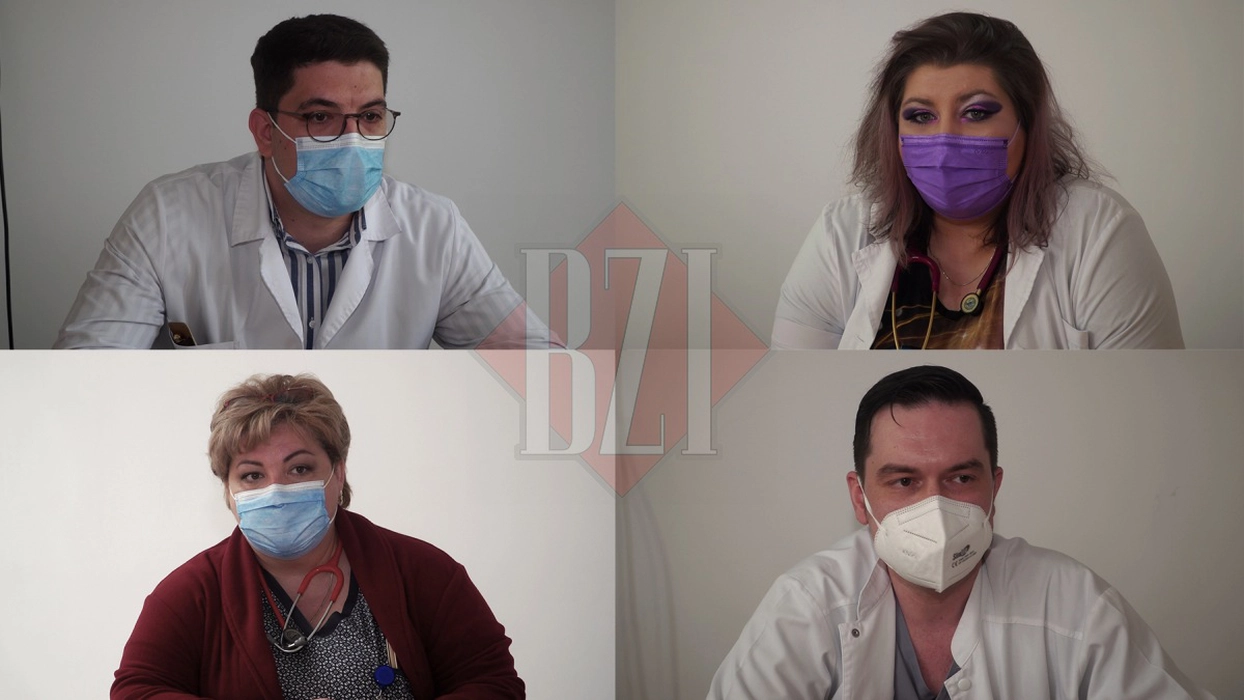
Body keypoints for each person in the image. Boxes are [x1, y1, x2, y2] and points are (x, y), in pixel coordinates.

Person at [707, 365, 1212, 699]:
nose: (935, 507)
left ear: (995, 489)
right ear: (860, 498)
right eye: (904, 481)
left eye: (962, 478)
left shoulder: (1077, 606)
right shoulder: (804, 606)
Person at [55, 14, 552, 349]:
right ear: (264, 132)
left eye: (370, 116)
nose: (353, 140)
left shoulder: (434, 227)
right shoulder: (167, 217)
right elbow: (86, 373)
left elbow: (539, 367)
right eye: (320, 117)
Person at [771, 12, 1183, 349]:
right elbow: (795, 393)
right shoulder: (840, 233)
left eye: (976, 113)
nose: (944, 143)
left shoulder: (1100, 230)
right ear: (893, 131)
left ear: (1027, 123)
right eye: (920, 116)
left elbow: (1144, 401)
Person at [112, 373, 524, 699]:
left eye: (300, 469)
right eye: (252, 475)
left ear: (338, 473)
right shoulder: (192, 592)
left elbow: (495, 683)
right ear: (228, 491)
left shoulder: (423, 571)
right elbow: (136, 691)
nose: (276, 490)